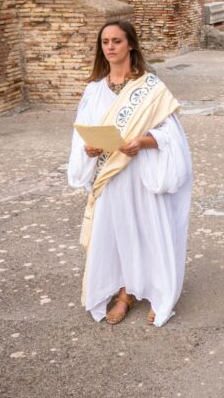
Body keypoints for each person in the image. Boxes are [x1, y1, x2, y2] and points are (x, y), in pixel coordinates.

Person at [68, 19, 193, 327]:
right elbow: (81, 135)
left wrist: (143, 142)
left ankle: (157, 291)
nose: (110, 47)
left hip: (139, 173)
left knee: (146, 230)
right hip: (109, 176)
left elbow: (172, 137)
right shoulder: (94, 91)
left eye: (116, 41)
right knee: (116, 234)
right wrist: (89, 148)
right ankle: (124, 293)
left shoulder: (151, 88)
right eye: (105, 42)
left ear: (131, 45)